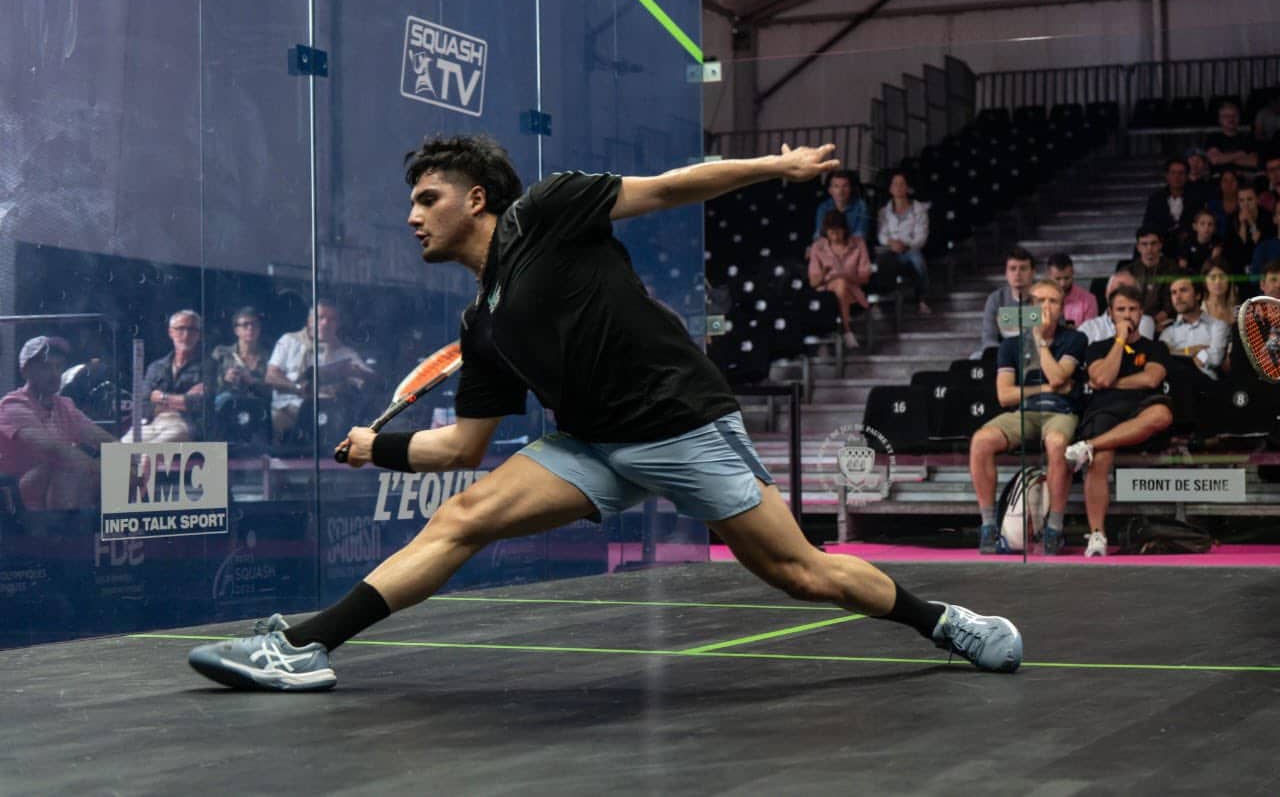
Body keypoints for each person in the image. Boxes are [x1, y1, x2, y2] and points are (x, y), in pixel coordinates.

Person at [188, 135, 1023, 691]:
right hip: (591, 444)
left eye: (427, 197)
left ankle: (945, 621)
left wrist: (777, 165)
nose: (412, 215)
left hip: (682, 424)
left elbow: (667, 187)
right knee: (465, 516)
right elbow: (466, 448)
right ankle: (306, 647)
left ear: (475, 198)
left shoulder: (545, 211)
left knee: (800, 572)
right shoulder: (480, 323)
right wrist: (385, 449)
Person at [968, 279, 1085, 555]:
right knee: (981, 441)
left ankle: (1054, 528)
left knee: (1057, 444)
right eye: (1040, 301)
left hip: (1061, 411)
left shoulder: (1075, 339)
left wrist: (1040, 342)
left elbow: (1059, 376)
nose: (1046, 307)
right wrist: (1044, 387)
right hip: (1024, 412)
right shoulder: (1010, 346)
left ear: (1061, 308)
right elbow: (1004, 396)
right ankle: (988, 525)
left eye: (1053, 301)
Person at [1065, 285, 1174, 558]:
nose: (1127, 315)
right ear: (1111, 314)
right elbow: (1100, 378)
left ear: (1141, 313)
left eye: (1133, 309)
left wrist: (1113, 382)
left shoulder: (1156, 347)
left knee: (1162, 414)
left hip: (1142, 410)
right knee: (1099, 459)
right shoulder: (1098, 348)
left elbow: (1151, 379)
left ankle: (1087, 444)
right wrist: (1119, 341)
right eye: (1121, 310)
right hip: (1105, 411)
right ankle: (1098, 535)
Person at [0, 336, 116, 510]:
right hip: (14, 497)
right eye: (46, 367)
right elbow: (53, 449)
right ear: (26, 371)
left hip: (55, 489)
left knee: (86, 468)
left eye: (58, 367)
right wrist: (109, 472)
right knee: (69, 465)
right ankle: (66, 533)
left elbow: (101, 438)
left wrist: (131, 462)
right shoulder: (12, 405)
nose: (55, 374)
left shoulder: (63, 405)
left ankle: (84, 530)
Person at [265, 299, 376, 443]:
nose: (325, 323)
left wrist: (355, 372)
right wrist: (298, 388)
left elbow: (373, 379)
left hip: (328, 415)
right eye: (320, 318)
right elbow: (271, 376)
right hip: (289, 411)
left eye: (332, 320)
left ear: (337, 324)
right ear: (309, 320)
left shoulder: (344, 352)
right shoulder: (288, 341)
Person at [127, 309, 212, 442]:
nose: (186, 334)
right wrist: (183, 400)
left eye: (192, 329)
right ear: (170, 332)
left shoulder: (209, 366)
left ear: (199, 335)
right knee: (119, 453)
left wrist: (160, 397)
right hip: (152, 424)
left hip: (185, 426)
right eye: (180, 329)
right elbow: (141, 406)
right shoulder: (156, 367)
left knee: (149, 454)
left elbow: (203, 405)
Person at [808, 210, 872, 350]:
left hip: (852, 294)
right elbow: (813, 283)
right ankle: (847, 330)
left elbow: (865, 277)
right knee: (838, 285)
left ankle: (841, 331)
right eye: (831, 233)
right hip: (825, 294)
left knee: (841, 284)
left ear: (845, 230)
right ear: (826, 232)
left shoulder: (858, 244)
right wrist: (824, 273)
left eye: (838, 232)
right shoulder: (818, 247)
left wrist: (843, 276)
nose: (835, 237)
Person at [212, 307, 273, 443]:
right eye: (245, 325)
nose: (250, 328)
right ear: (236, 330)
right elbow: (209, 386)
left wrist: (252, 382)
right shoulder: (221, 353)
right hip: (227, 406)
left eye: (254, 324)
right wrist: (226, 379)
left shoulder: (269, 356)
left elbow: (273, 390)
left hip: (259, 409)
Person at [876, 171, 931, 314]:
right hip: (891, 249)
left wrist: (905, 245)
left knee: (918, 261)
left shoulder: (918, 209)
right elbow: (882, 234)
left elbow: (921, 235)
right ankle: (883, 302)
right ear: (890, 189)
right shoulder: (884, 211)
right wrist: (891, 242)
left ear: (907, 187)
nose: (898, 187)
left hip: (910, 249)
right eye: (895, 184)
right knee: (881, 261)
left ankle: (922, 299)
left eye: (902, 184)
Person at [1160, 275, 1228, 380]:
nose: (1177, 297)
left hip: (1205, 386)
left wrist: (1175, 352)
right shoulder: (1168, 331)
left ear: (1197, 295)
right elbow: (1162, 358)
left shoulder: (1218, 326)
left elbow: (1214, 359)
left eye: (1183, 290)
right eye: (1174, 292)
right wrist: (1192, 351)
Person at [977, 246, 1036, 354]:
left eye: (1023, 268)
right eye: (1012, 269)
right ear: (1006, 273)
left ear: (1032, 272)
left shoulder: (1043, 297)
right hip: (1002, 353)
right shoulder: (995, 299)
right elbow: (989, 337)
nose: (1017, 273)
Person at [1077, 269, 1157, 344]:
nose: (1123, 295)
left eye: (1129, 291)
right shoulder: (1088, 327)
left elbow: (1138, 351)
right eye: (1118, 289)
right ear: (1107, 293)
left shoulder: (1144, 321)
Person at [1131, 227, 1178, 328]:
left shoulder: (1172, 268)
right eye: (1144, 244)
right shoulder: (1129, 271)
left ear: (1160, 245)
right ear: (1138, 247)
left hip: (1165, 322)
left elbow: (1171, 302)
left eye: (1153, 244)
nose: (1149, 249)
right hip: (1135, 322)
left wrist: (1154, 322)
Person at [1141, 157, 1193, 243]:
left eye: (1181, 173)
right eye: (1173, 173)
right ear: (1167, 175)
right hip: (1162, 244)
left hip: (1190, 244)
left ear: (1187, 176)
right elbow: (1148, 224)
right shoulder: (1156, 199)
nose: (1177, 176)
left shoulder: (1196, 198)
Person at [812, 169, 869, 242]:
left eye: (845, 186)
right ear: (830, 190)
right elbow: (819, 234)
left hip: (853, 248)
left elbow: (861, 234)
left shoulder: (860, 206)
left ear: (851, 189)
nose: (841, 191)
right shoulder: (823, 207)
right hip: (828, 248)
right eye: (836, 186)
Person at [1204, 100, 1258, 172]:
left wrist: (1224, 157)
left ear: (1239, 118)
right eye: (1226, 116)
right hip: (1219, 179)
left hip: (1244, 178)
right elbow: (1215, 160)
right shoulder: (1213, 139)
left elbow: (1254, 162)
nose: (1231, 119)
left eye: (1234, 115)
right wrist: (1242, 154)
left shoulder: (1248, 138)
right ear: (1220, 119)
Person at [1047, 252, 1097, 329]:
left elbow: (1091, 333)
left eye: (1067, 278)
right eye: (1058, 279)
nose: (1062, 284)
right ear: (1049, 276)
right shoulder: (1034, 299)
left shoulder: (1089, 300)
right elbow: (1029, 332)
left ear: (1073, 273)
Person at [1177, 210, 1222, 275]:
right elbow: (1182, 268)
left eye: (1210, 224)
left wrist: (1214, 258)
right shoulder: (1186, 242)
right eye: (1202, 224)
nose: (1206, 227)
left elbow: (1217, 268)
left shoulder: (1218, 243)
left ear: (1214, 228)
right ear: (1195, 226)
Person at [1201, 262, 1238, 328]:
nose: (1218, 282)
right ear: (1205, 282)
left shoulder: (1237, 311)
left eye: (1222, 277)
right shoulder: (1199, 310)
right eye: (1213, 277)